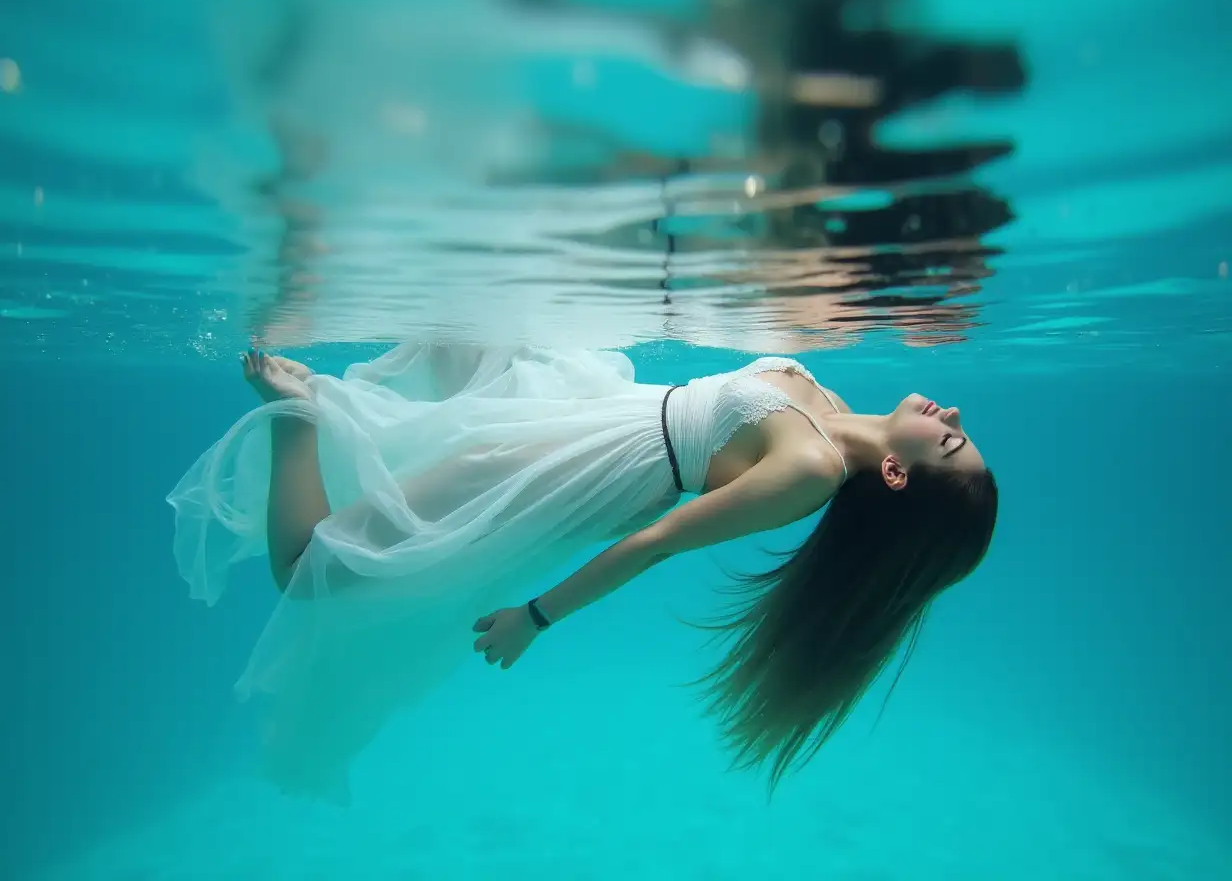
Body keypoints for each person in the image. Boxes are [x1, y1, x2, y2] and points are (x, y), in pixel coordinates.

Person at [168, 342, 997, 801]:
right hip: (578, 408)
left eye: (952, 442)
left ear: (897, 477)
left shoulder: (811, 469)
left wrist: (536, 617)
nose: (953, 416)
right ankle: (318, 414)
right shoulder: (824, 397)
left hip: (568, 472)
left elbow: (658, 541)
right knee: (450, 365)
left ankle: (299, 418)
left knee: (317, 571)